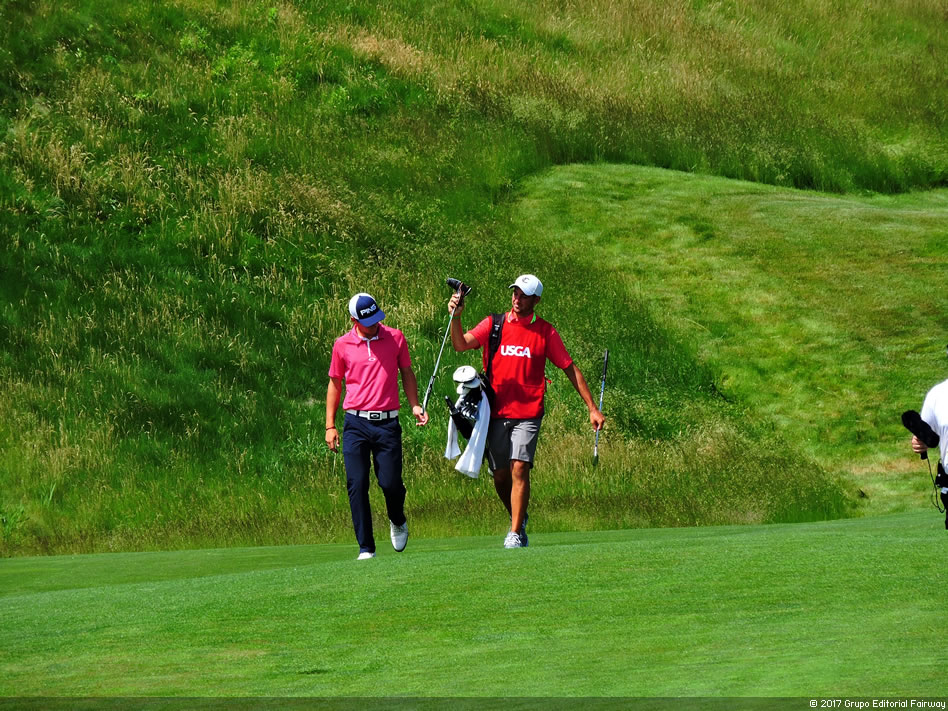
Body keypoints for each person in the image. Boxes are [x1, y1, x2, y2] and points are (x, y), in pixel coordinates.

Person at [448, 274, 605, 548]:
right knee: (500, 475)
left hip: (529, 413)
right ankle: (518, 518)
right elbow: (460, 344)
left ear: (536, 300)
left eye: (524, 295)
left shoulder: (545, 332)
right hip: (496, 411)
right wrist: (456, 317)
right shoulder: (494, 324)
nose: (517, 299)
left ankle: (515, 533)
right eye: (515, 293)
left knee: (519, 467)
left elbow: (569, 368)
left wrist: (592, 407)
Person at [326, 292, 429, 560]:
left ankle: (397, 519)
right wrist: (330, 425)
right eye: (367, 322)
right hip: (355, 423)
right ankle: (366, 547)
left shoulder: (395, 337)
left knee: (390, 483)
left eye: (376, 319)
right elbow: (335, 383)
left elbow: (407, 372)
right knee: (357, 483)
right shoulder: (342, 345)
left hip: (387, 423)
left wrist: (415, 405)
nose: (374, 325)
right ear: (354, 320)